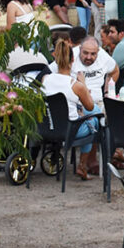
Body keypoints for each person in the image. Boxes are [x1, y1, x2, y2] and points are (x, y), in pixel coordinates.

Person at [43, 39, 100, 180]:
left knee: (90, 113)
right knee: (95, 119)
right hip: (70, 130)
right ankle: (83, 164)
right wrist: (84, 85)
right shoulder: (76, 85)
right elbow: (90, 106)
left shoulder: (44, 79)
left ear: (55, 57)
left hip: (47, 128)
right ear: (73, 59)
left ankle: (83, 164)